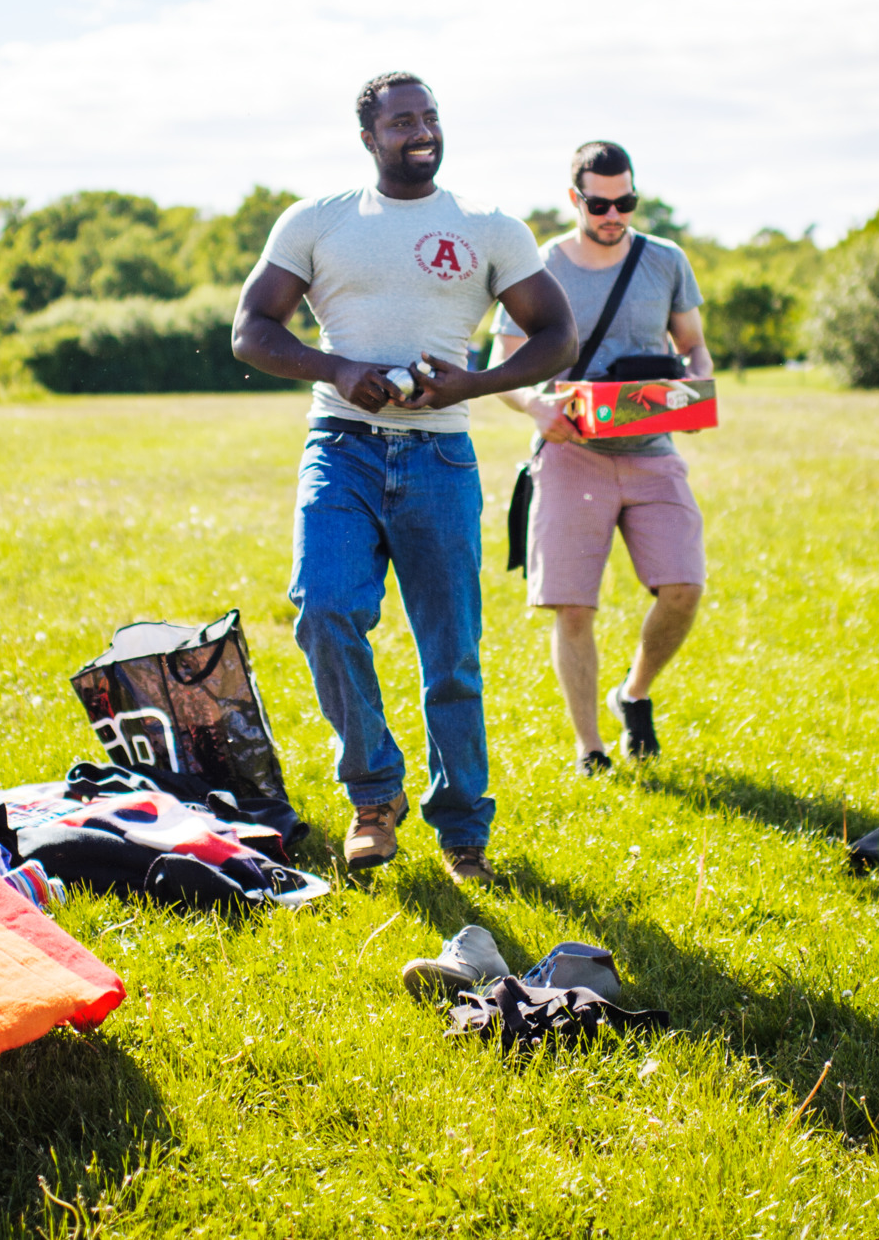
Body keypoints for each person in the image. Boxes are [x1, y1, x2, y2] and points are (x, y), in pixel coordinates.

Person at [232, 72, 574, 886]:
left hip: (440, 457)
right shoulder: (318, 220)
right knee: (324, 610)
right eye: (401, 121)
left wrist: (471, 384)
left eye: (430, 117)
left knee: (450, 655)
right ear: (369, 137)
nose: (420, 131)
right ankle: (374, 795)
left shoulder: (489, 227)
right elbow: (251, 328)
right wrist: (338, 368)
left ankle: (464, 834)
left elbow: (555, 333)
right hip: (342, 444)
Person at [493, 142, 710, 773]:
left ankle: (633, 693)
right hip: (571, 455)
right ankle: (591, 747)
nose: (614, 213)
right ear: (574, 199)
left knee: (683, 588)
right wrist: (536, 407)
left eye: (625, 201)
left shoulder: (665, 259)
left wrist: (693, 394)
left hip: (652, 451)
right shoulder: (538, 267)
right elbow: (503, 368)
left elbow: (694, 346)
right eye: (599, 203)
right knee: (574, 604)